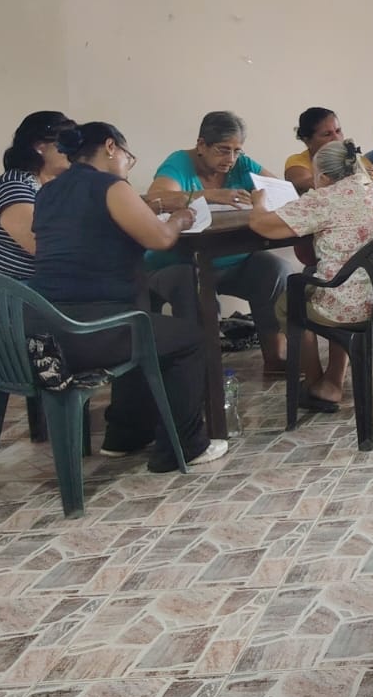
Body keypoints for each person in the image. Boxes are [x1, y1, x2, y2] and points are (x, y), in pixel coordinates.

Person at [31, 122, 227, 472]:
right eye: (127, 156)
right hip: (92, 330)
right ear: (111, 147)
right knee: (187, 339)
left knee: (143, 323)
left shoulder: (49, 191)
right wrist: (181, 218)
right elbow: (160, 239)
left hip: (47, 328)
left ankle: (125, 436)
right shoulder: (111, 186)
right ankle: (183, 448)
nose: (126, 165)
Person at [248, 138, 373, 413]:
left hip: (351, 306)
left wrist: (258, 203)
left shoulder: (322, 200)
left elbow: (261, 225)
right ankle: (333, 379)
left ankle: (318, 384)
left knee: (291, 303)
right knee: (338, 285)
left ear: (322, 177)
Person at [144, 112, 294, 374]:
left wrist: (262, 197)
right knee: (192, 285)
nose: (231, 159)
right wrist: (212, 195)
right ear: (201, 145)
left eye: (237, 151)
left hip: (231, 260)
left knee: (275, 270)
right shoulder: (180, 162)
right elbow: (154, 199)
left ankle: (274, 358)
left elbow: (280, 192)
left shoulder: (241, 164)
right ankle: (202, 373)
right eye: (223, 150)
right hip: (178, 262)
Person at [0, 111, 76, 279]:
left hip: (47, 282)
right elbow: (44, 247)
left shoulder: (61, 185)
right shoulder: (12, 185)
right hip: (6, 287)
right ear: (40, 147)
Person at [284, 107, 373, 194]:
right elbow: (304, 185)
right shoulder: (297, 161)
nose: (336, 138)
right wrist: (360, 175)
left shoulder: (356, 158)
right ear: (307, 141)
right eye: (327, 134)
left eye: (338, 131)